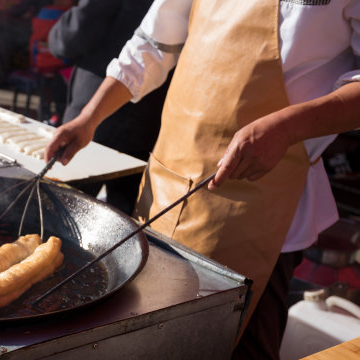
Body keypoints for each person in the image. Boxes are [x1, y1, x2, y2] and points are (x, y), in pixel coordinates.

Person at [45, 0, 360, 358]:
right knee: (148, 340)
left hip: (266, 204)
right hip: (169, 182)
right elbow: (153, 42)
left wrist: (288, 128)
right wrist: (89, 118)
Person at [47, 0, 171, 215]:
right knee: (124, 217)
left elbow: (68, 39)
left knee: (62, 215)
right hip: (146, 125)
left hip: (100, 125)